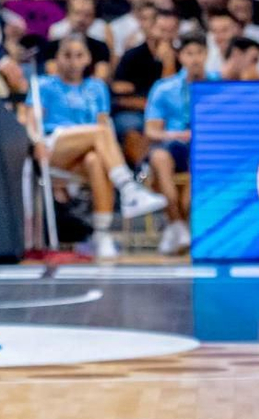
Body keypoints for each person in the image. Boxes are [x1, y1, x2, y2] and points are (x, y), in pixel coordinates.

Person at [33, 33, 166, 261]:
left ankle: (101, 234)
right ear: (57, 58)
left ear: (88, 60)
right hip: (54, 145)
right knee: (100, 133)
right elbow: (30, 120)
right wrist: (36, 142)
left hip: (88, 150)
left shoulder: (97, 88)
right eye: (67, 55)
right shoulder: (44, 85)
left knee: (96, 159)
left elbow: (105, 124)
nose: (73, 61)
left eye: (79, 55)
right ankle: (127, 187)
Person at [141, 29, 207, 253]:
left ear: (207, 55)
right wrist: (176, 135)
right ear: (181, 57)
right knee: (159, 157)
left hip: (205, 148)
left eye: (199, 52)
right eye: (189, 53)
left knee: (199, 159)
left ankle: (179, 226)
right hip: (172, 143)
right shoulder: (163, 88)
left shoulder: (218, 85)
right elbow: (151, 131)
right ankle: (177, 224)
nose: (195, 59)